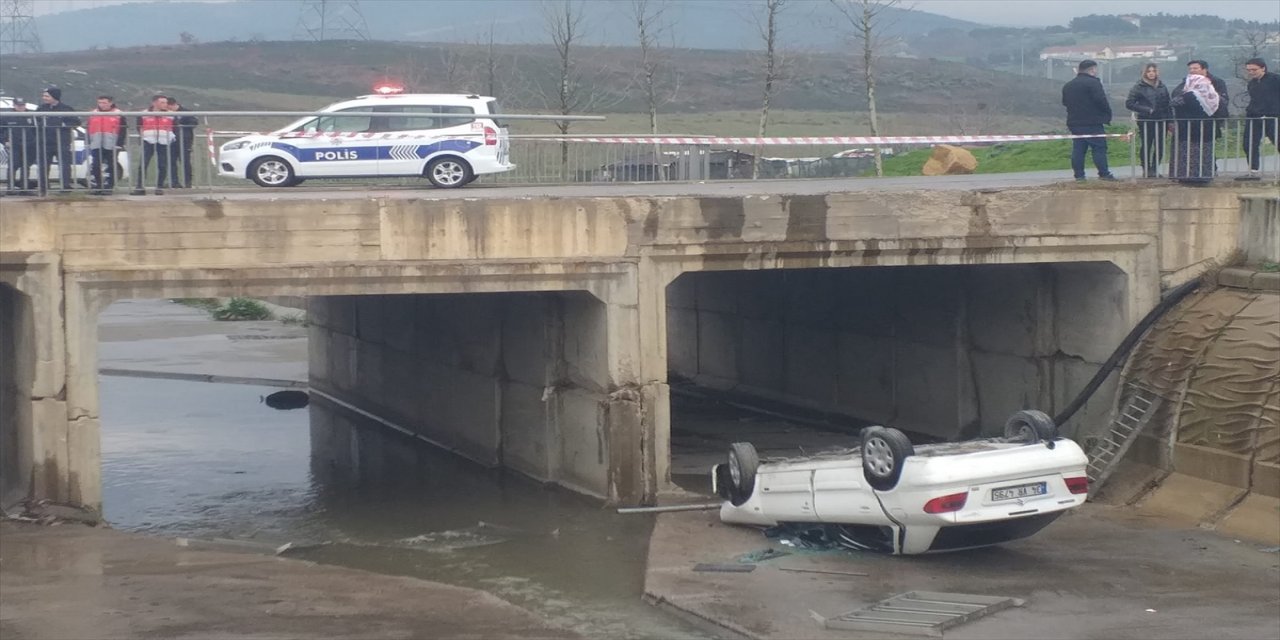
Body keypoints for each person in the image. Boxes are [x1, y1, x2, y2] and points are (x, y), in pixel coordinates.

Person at [1061, 59, 1117, 182]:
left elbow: (1065, 102)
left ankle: (1079, 176)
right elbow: (1101, 100)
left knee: (1078, 149)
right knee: (1099, 148)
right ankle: (1104, 173)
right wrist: (1107, 114)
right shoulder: (1093, 83)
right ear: (1092, 69)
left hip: (1074, 122)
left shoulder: (1068, 85)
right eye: (1095, 69)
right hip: (1093, 122)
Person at [1169, 72, 1220, 185]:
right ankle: (1205, 176)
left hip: (1188, 130)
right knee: (1205, 154)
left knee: (1188, 154)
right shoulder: (1212, 96)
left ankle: (1188, 177)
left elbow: (1173, 103)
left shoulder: (1189, 96)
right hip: (1206, 131)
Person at [1125, 63, 1172, 178]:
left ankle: (1155, 169)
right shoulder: (1138, 87)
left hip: (1162, 120)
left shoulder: (1162, 86)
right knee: (1147, 144)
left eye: (1153, 71)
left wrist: (1170, 120)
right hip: (1146, 120)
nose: (1151, 73)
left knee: (1160, 145)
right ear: (1144, 73)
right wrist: (1147, 110)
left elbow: (1168, 104)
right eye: (1149, 71)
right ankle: (1146, 169)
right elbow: (1129, 103)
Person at [1240, 58, 1280, 180]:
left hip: (1273, 116)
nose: (1251, 72)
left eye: (1254, 70)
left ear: (1263, 68)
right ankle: (1253, 170)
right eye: (1249, 70)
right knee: (1249, 143)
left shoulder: (1275, 79)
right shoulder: (1252, 83)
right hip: (1254, 116)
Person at [35, 87, 80, 191]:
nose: (44, 98)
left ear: (54, 97)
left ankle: (65, 186)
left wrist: (62, 125)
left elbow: (76, 122)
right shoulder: (41, 108)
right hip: (45, 142)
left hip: (62, 142)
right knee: (43, 165)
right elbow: (35, 123)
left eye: (47, 96)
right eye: (44, 96)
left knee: (64, 164)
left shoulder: (66, 109)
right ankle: (43, 186)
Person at [135, 94, 176, 194]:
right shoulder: (144, 113)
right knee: (143, 164)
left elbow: (176, 127)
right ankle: (140, 187)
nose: (165, 104)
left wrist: (171, 138)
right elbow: (139, 126)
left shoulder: (171, 114)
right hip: (148, 141)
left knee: (162, 165)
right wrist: (142, 136)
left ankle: (159, 187)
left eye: (166, 102)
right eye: (162, 102)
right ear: (154, 103)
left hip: (164, 142)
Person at [86, 95, 127, 192]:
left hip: (112, 144)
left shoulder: (118, 113)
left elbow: (123, 130)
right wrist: (88, 141)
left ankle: (109, 186)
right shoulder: (93, 113)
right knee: (96, 165)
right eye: (100, 103)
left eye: (104, 103)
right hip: (96, 143)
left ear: (110, 103)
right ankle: (98, 186)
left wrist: (119, 144)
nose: (102, 105)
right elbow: (88, 128)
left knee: (111, 165)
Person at [1, 98, 37, 192]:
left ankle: (24, 188)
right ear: (14, 105)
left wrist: (34, 141)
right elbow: (1, 131)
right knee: (13, 165)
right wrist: (5, 141)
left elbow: (36, 130)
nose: (21, 107)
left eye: (23, 105)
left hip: (29, 145)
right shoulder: (7, 116)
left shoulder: (31, 115)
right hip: (14, 145)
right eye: (19, 105)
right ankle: (11, 188)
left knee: (26, 166)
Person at [166, 96, 198, 188]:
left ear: (172, 105)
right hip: (171, 140)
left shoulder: (186, 112)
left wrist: (181, 125)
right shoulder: (167, 114)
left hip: (184, 140)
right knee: (171, 161)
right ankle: (174, 182)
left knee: (185, 161)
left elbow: (194, 123)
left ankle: (187, 182)